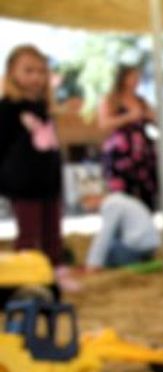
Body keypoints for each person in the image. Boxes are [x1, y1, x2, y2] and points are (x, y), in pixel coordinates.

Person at [0, 45, 79, 292]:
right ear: (12, 73)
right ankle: (24, 277)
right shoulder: (7, 108)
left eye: (41, 71)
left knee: (52, 232)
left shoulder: (44, 108)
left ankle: (56, 270)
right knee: (29, 233)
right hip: (23, 185)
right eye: (28, 71)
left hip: (49, 182)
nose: (36, 77)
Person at [98, 66, 158, 211]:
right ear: (123, 78)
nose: (136, 80)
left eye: (138, 77)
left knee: (145, 195)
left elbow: (155, 121)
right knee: (122, 196)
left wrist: (150, 117)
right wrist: (128, 117)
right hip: (120, 154)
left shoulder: (141, 101)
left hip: (142, 153)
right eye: (132, 77)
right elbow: (104, 124)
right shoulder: (112, 99)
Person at [83, 191, 159, 270]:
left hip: (136, 249)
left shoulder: (111, 204)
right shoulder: (120, 200)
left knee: (107, 251)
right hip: (149, 249)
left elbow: (104, 235)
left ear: (93, 198)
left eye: (86, 202)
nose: (86, 207)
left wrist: (93, 263)